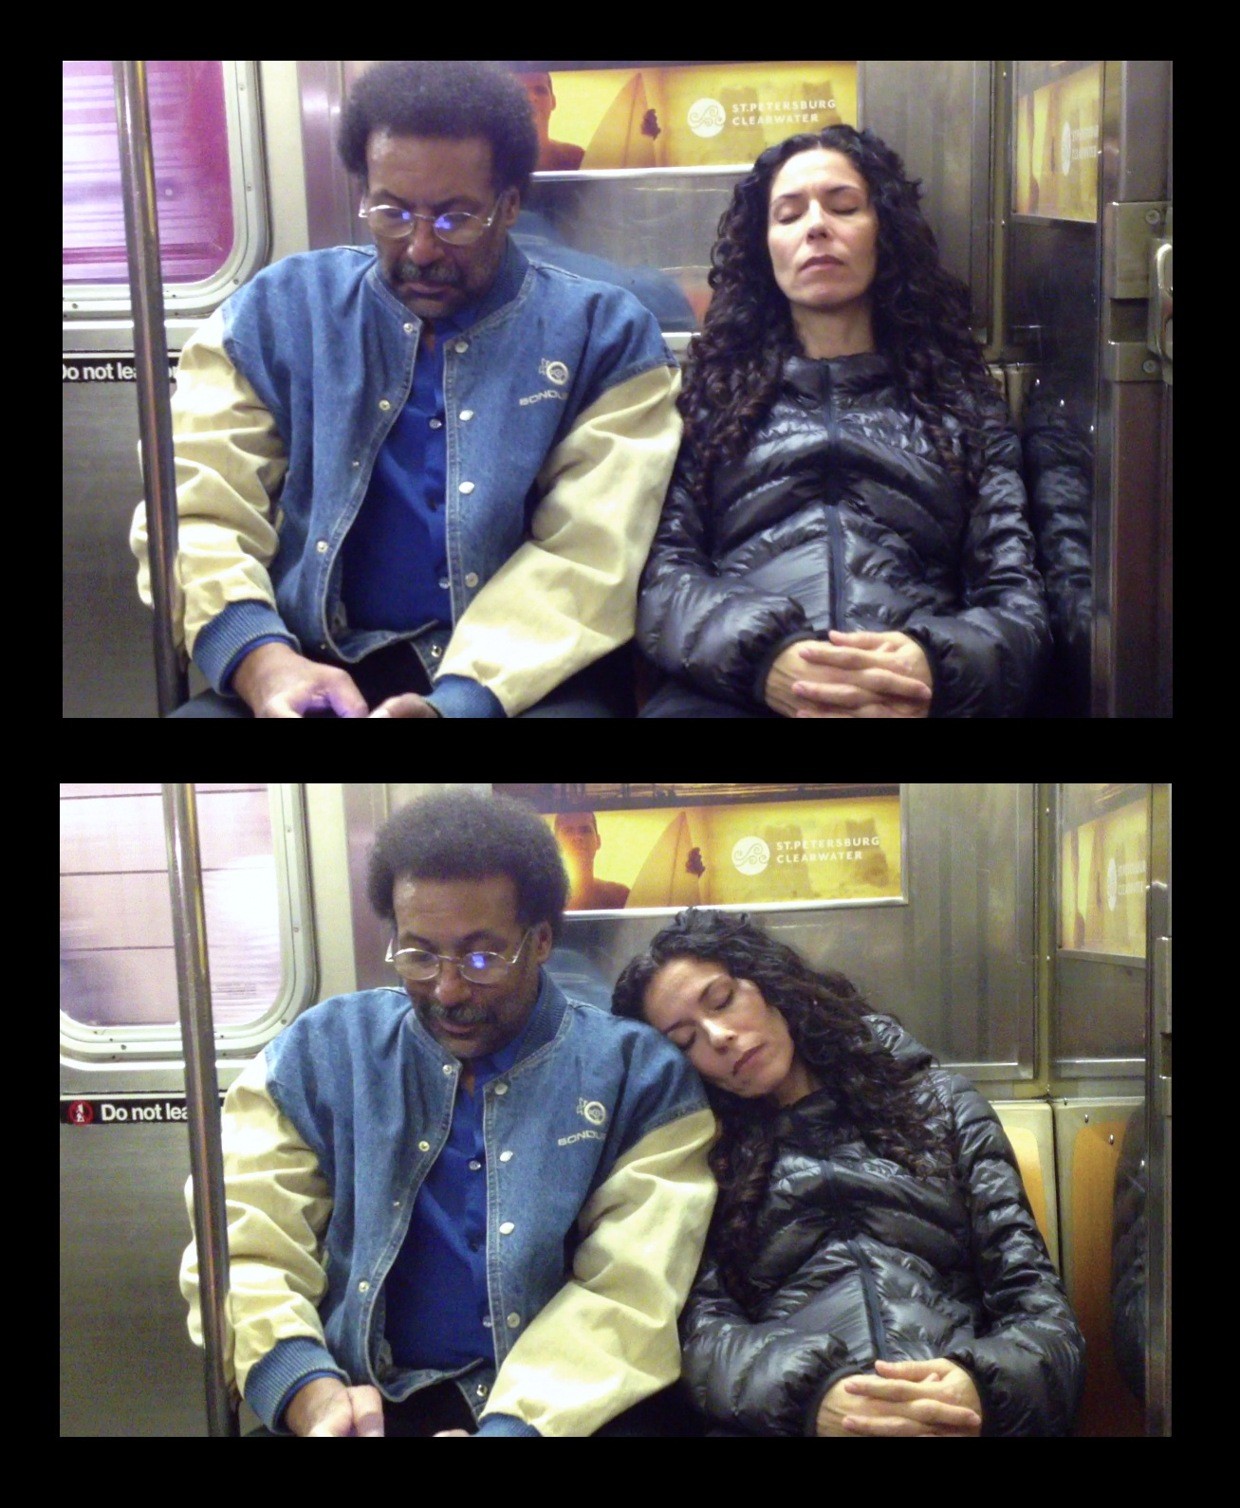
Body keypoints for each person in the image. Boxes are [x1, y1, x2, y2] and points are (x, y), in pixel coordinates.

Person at [131, 61, 682, 718]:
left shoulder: (602, 334)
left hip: (519, 680)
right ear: (363, 193)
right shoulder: (279, 314)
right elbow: (198, 509)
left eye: (455, 218)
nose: (420, 248)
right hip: (305, 657)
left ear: (509, 205)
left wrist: (461, 701)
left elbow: (590, 553)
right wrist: (260, 660)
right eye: (392, 212)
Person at [180, 790, 716, 1435]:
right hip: (359, 1397)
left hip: (564, 1409)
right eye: (419, 955)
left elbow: (630, 1292)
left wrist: (515, 1426)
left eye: (482, 957)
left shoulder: (636, 1075)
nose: (448, 988)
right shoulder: (322, 1055)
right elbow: (245, 1244)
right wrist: (307, 1389)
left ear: (541, 941)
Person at [612, 909, 1085, 1436]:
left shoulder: (942, 1106)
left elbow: (1040, 1311)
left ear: (769, 982)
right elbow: (698, 1337)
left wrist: (979, 1387)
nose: (718, 1036)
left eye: (722, 1000)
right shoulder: (699, 1155)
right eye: (685, 1041)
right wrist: (810, 1397)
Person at [636, 125, 1050, 718]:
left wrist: (931, 665)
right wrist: (764, 658)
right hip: (736, 692)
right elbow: (661, 580)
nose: (816, 227)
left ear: (885, 231)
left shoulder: (961, 406)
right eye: (789, 214)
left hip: (910, 695)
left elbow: (1017, 604)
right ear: (764, 247)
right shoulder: (709, 402)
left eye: (844, 207)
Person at [554, 811, 631, 910]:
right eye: (568, 831)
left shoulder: (620, 896)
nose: (577, 837)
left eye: (585, 830)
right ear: (555, 843)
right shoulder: (544, 898)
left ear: (598, 841)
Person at [515, 72, 585, 171]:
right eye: (520, 92)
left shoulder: (576, 158)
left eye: (540, 91)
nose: (531, 98)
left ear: (553, 101)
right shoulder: (494, 159)